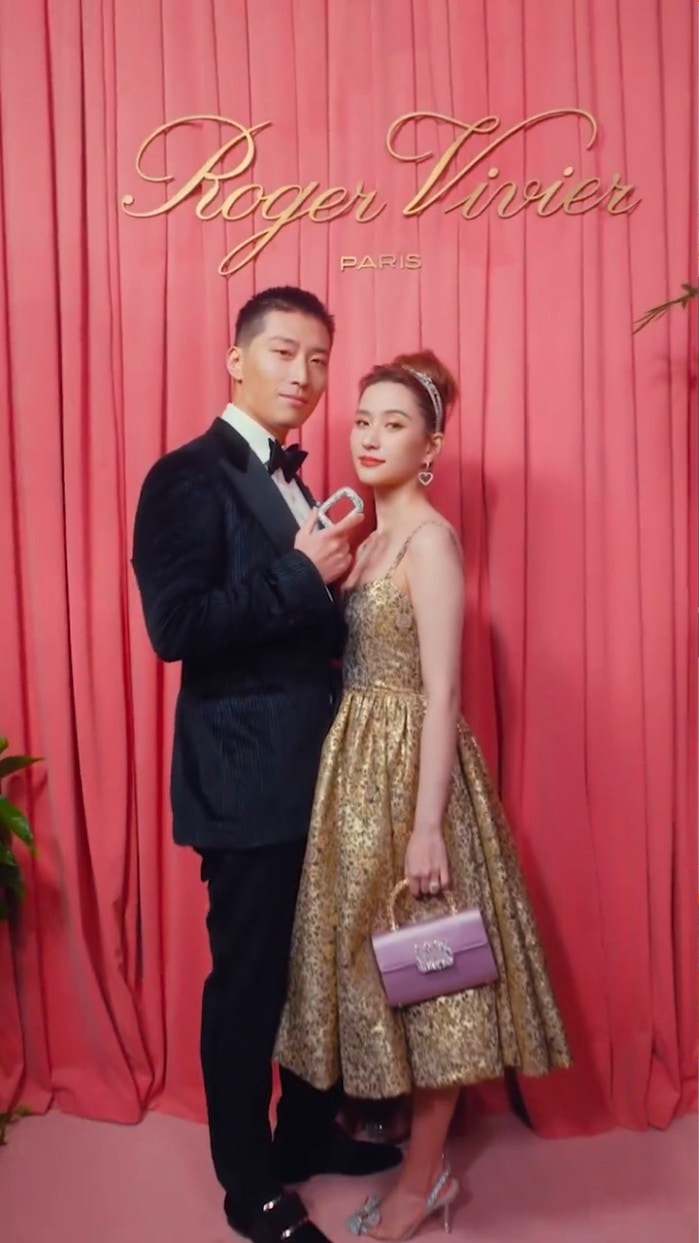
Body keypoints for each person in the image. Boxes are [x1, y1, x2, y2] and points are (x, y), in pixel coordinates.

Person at [275, 350, 571, 1241]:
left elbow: (442, 692)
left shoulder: (431, 542)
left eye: (394, 422)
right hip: (352, 771)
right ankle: (395, 1137)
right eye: (362, 419)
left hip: (412, 773)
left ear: (430, 444)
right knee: (378, 968)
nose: (369, 436)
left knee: (434, 975)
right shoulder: (365, 539)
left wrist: (429, 824)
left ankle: (421, 1182)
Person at [131, 287, 401, 1243]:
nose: (304, 374)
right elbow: (176, 626)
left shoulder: (295, 479)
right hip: (245, 782)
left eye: (319, 358)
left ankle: (306, 1132)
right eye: (285, 352)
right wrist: (300, 574)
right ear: (236, 359)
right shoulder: (184, 477)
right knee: (249, 983)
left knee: (315, 968)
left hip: (319, 773)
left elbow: (297, 626)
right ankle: (248, 1184)